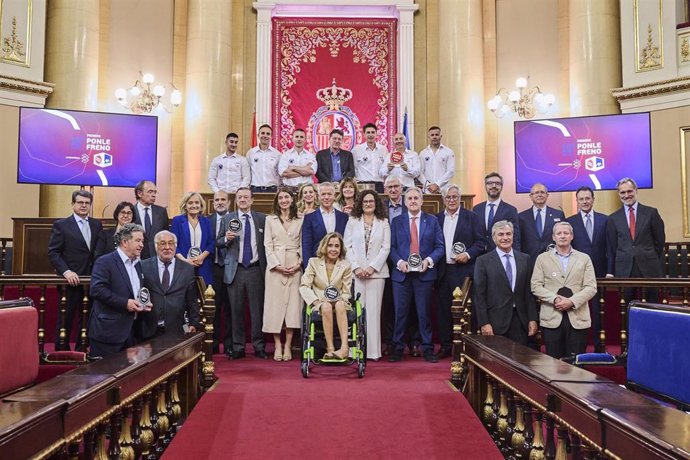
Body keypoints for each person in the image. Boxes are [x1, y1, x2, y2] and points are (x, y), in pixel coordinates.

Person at [388, 187, 445, 363]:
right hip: (402, 275)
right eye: (410, 198)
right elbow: (391, 247)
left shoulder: (432, 220)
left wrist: (428, 261)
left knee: (424, 313)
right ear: (405, 202)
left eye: (416, 198)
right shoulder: (397, 221)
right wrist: (399, 262)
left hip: (424, 275)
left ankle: (427, 348)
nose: (413, 201)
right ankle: (397, 348)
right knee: (400, 313)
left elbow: (440, 247)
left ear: (422, 201)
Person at [531, 222, 597, 359]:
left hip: (578, 317)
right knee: (554, 363)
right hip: (552, 317)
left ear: (572, 236)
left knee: (577, 363)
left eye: (566, 233)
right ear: (553, 237)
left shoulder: (584, 258)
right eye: (559, 233)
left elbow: (591, 287)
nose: (562, 236)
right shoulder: (542, 259)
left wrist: (572, 301)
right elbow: (535, 286)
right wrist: (555, 299)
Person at [47, 190, 103, 351]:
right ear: (73, 204)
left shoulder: (96, 224)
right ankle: (61, 351)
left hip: (91, 279)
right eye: (80, 202)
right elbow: (53, 252)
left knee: (86, 318)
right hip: (70, 280)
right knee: (66, 317)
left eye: (87, 203)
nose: (84, 206)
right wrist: (66, 272)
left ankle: (81, 349)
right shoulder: (62, 225)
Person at [435, 185, 485, 359]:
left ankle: (466, 345)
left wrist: (468, 254)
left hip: (462, 271)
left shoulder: (472, 217)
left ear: (460, 198)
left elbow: (481, 243)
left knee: (465, 311)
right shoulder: (436, 218)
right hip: (442, 270)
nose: (451, 200)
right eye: (448, 197)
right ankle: (446, 346)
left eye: (455, 197)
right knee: (443, 310)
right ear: (443, 199)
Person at [217, 187, 268, 359]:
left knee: (256, 311)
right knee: (235, 310)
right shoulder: (228, 218)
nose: (243, 200)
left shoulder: (262, 219)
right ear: (236, 200)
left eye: (246, 197)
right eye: (240, 197)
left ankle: (259, 346)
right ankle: (238, 347)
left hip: (255, 269)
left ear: (252, 200)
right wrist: (226, 239)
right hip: (235, 270)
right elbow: (218, 241)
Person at [473, 221, 538, 346]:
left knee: (520, 361)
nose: (505, 238)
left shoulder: (525, 259)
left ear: (513, 236)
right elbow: (479, 295)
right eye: (501, 234)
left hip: (520, 320)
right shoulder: (483, 261)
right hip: (495, 320)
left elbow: (529, 293)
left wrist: (533, 319)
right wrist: (484, 322)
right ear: (493, 238)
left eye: (508, 234)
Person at [344, 190, 390, 360]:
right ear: (360, 204)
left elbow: (386, 247)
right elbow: (346, 246)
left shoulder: (383, 222)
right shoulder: (352, 221)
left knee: (373, 312)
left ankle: (372, 352)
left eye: (371, 201)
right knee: (356, 312)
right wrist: (356, 267)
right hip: (356, 274)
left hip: (376, 275)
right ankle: (354, 350)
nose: (368, 204)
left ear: (376, 203)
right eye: (365, 202)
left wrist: (371, 268)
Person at [87, 223, 146, 358]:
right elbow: (97, 289)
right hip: (108, 333)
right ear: (124, 242)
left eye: (142, 241)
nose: (142, 244)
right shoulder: (105, 261)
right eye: (138, 240)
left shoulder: (137, 264)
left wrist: (143, 303)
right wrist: (125, 303)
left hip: (130, 332)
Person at [136, 230, 202, 341]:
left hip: (176, 329)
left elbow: (192, 299)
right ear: (156, 246)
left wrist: (194, 323)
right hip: (148, 329)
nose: (167, 247)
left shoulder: (187, 269)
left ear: (175, 246)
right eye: (162, 243)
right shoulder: (143, 266)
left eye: (171, 243)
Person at [566, 186, 611, 347]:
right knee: (579, 309)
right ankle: (580, 346)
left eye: (587, 198)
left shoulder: (605, 220)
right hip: (577, 273)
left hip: (600, 272)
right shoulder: (570, 221)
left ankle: (599, 346)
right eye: (581, 199)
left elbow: (610, 247)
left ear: (593, 199)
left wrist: (610, 271)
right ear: (577, 201)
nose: (585, 201)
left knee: (599, 311)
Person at [381, 175, 420, 357]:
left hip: (408, 264)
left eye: (396, 186)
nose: (394, 189)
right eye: (390, 187)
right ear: (385, 189)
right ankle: (390, 341)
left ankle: (413, 342)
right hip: (384, 262)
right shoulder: (380, 207)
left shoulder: (411, 205)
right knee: (389, 304)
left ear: (402, 188)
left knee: (412, 304)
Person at [262, 189, 303, 361]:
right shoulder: (269, 220)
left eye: (287, 197)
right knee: (275, 306)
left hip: (294, 265)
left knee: (293, 307)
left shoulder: (301, 218)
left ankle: (288, 345)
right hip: (275, 268)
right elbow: (267, 245)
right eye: (281, 198)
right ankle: (278, 344)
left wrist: (298, 264)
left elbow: (303, 243)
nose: (284, 200)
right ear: (277, 201)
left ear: (292, 199)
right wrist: (277, 265)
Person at [299, 232, 353, 360]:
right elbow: (304, 286)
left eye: (337, 246)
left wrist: (341, 298)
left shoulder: (345, 265)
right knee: (326, 306)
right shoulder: (314, 262)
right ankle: (330, 349)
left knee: (339, 304)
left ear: (341, 249)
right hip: (320, 303)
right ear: (324, 247)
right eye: (330, 245)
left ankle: (344, 348)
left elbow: (346, 291)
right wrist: (316, 301)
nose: (333, 249)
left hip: (339, 302)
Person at [607, 177, 666, 279]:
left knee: (650, 295)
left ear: (636, 190)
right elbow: (613, 246)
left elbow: (660, 240)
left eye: (629, 191)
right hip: (624, 268)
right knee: (627, 296)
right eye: (622, 192)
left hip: (649, 266)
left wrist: (647, 254)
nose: (626, 195)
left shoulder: (651, 213)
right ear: (619, 194)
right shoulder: (613, 218)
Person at [170, 192, 214, 288]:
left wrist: (201, 257)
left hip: (203, 266)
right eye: (190, 203)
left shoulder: (206, 221)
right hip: (183, 265)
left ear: (201, 205)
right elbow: (173, 244)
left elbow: (211, 243)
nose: (194, 205)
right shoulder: (177, 220)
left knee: (204, 299)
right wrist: (185, 260)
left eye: (197, 203)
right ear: (185, 205)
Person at [302, 182, 348, 266]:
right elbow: (306, 246)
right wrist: (307, 269)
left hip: (339, 266)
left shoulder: (344, 217)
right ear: (318, 197)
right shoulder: (309, 218)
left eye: (329, 194)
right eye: (323, 194)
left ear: (334, 196)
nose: (326, 197)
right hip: (317, 266)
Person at [209, 191, 233, 354]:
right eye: (217, 200)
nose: (220, 202)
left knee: (231, 308)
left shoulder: (235, 219)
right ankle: (215, 343)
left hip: (232, 269)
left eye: (223, 199)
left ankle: (231, 345)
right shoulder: (206, 221)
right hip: (214, 268)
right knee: (214, 308)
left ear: (229, 202)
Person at [473, 172, 521, 252]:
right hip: (479, 256)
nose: (494, 186)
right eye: (490, 183)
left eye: (497, 183)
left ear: (502, 187)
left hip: (501, 255)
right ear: (485, 186)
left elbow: (515, 238)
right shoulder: (476, 209)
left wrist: (516, 258)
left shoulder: (511, 210)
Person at [518, 182, 565, 263]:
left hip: (553, 260)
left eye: (542, 192)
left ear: (547, 195)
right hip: (529, 260)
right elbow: (518, 240)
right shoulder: (521, 217)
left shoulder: (558, 214)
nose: (539, 195)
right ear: (531, 196)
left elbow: (563, 237)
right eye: (536, 193)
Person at [132, 180, 170, 260]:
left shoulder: (161, 212)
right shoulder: (131, 212)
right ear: (139, 193)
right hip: (136, 258)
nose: (153, 195)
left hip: (157, 258)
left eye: (155, 192)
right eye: (150, 192)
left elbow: (166, 234)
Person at [351, 122, 387, 192]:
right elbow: (354, 169)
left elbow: (385, 168)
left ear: (376, 134)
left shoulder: (383, 150)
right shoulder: (356, 150)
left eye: (373, 132)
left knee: (379, 203)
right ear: (364, 135)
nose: (370, 135)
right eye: (368, 132)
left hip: (379, 184)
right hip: (362, 184)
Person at [418, 126, 455, 194]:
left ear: (441, 136)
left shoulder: (448, 152)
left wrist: (437, 184)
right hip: (427, 191)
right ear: (428, 137)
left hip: (443, 190)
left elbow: (450, 171)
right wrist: (428, 185)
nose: (434, 137)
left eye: (437, 135)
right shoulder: (423, 153)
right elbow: (420, 172)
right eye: (432, 135)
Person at [247, 124, 281, 193]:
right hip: (255, 189)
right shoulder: (250, 153)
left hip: (272, 189)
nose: (265, 136)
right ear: (258, 135)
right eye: (262, 133)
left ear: (271, 137)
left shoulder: (277, 154)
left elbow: (280, 173)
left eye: (268, 134)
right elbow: (247, 173)